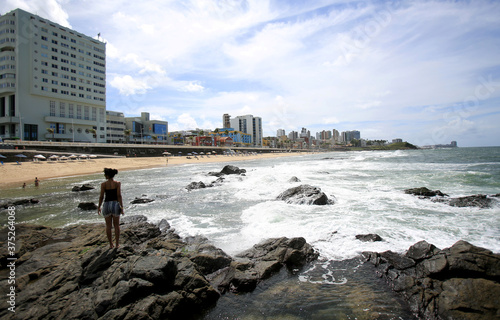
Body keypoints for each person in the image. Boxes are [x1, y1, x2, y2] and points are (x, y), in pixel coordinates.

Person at [97, 168, 124, 249]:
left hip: (106, 204)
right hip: (115, 204)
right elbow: (119, 196)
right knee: (116, 225)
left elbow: (101, 196)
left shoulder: (103, 184)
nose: (104, 176)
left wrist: (99, 207)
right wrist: (121, 207)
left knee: (108, 226)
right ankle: (117, 244)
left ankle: (110, 244)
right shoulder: (117, 183)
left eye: (105, 174)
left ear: (108, 175)